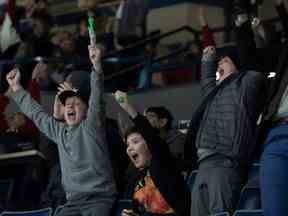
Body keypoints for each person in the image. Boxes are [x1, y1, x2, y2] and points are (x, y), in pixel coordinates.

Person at [6, 44, 116, 216]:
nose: (70, 106)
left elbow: (97, 98)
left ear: (87, 109)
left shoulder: (93, 126)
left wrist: (96, 67)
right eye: (66, 104)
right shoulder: (59, 131)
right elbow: (37, 114)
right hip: (72, 202)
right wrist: (17, 89)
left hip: (99, 199)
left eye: (76, 103)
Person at [187, 46, 266, 216]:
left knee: (220, 213)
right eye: (218, 63)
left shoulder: (245, 84)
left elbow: (253, 65)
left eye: (225, 61)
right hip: (202, 164)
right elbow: (207, 77)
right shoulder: (212, 91)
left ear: (238, 67)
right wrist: (208, 58)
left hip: (226, 162)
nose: (219, 64)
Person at [114, 91, 190, 216]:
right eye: (128, 145)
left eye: (135, 141)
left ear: (149, 144)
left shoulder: (162, 163)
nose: (129, 148)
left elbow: (151, 136)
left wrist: (126, 106)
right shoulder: (135, 179)